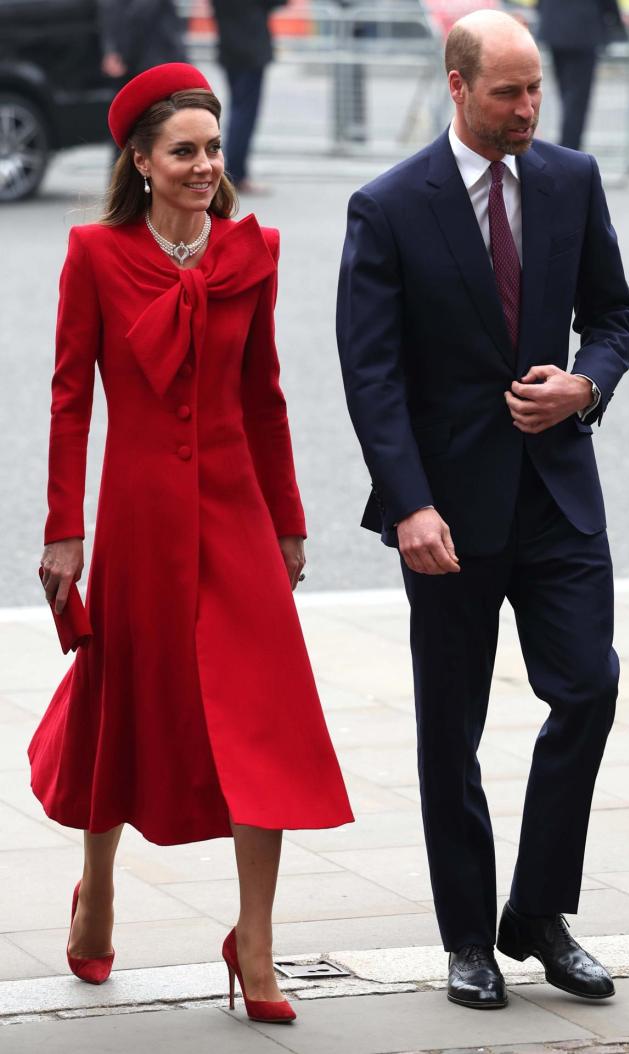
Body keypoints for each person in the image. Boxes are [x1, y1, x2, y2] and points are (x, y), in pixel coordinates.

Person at [31, 62, 353, 1022]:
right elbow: (68, 399)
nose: (205, 165)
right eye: (186, 151)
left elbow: (265, 397)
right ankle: (98, 891)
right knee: (122, 706)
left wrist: (289, 519)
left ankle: (253, 943)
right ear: (140, 158)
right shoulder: (94, 254)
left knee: (266, 720)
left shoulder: (253, 253)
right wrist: (63, 533)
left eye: (213, 148)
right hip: (136, 521)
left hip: (237, 517)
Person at [336, 10, 629, 1012]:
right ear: (457, 87)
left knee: (589, 688)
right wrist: (410, 507)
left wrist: (584, 387)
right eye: (509, 91)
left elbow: (615, 317)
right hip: (450, 517)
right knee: (448, 731)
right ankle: (468, 937)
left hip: (558, 495)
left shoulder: (570, 179)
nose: (528, 108)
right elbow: (371, 375)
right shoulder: (387, 206)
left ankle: (538, 914)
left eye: (536, 88)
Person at [211, 0, 287, 193]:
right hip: (250, 48)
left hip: (229, 46)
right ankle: (236, 174)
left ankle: (233, 171)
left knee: (238, 110)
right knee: (244, 114)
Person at [536, 0, 624, 150]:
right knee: (577, 99)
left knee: (566, 95)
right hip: (583, 31)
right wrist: (617, 23)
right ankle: (569, 148)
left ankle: (566, 147)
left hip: (555, 27)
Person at [97, 0, 187, 81]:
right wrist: (112, 52)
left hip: (156, 60)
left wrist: (115, 53)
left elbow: (135, 18)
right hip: (137, 61)